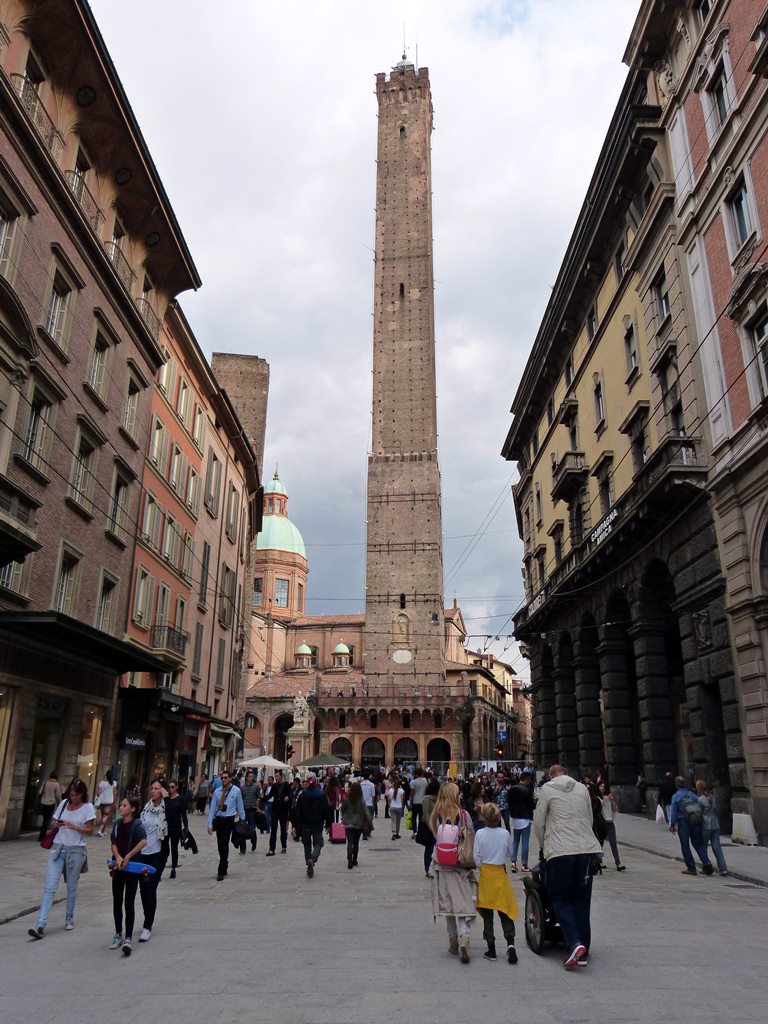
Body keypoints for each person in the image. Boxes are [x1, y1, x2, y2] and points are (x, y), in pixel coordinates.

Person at [533, 764, 601, 969]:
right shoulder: (582, 788)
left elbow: (539, 821)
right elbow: (589, 818)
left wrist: (545, 846)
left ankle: (574, 943)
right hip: (586, 849)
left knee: (559, 897)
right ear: (566, 774)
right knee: (582, 899)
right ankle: (584, 949)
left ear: (551, 776)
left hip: (561, 851)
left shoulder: (547, 789)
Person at [28, 780, 95, 939]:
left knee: (71, 886)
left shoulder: (88, 807)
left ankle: (69, 918)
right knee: (50, 887)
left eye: (75, 795)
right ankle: (40, 924)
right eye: (71, 794)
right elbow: (52, 823)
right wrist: (57, 824)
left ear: (82, 794)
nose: (72, 798)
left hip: (76, 851)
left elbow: (90, 830)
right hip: (58, 848)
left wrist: (76, 827)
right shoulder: (64, 803)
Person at [429, 782, 477, 963]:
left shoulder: (436, 815)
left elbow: (436, 837)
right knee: (463, 902)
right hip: (460, 864)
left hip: (442, 864)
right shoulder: (463, 815)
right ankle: (465, 936)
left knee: (447, 903)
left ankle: (453, 942)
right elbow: (470, 835)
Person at [474, 802, 519, 964]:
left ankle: (491, 949)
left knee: (487, 914)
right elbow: (510, 853)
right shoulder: (505, 833)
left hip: (486, 874)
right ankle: (510, 944)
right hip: (500, 873)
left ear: (483, 817)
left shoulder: (479, 834)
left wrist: (483, 866)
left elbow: (476, 857)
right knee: (505, 910)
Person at [108, 796, 147, 956]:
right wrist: (117, 856)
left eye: (124, 805)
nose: (121, 807)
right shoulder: (117, 825)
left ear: (132, 809)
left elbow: (144, 841)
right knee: (117, 901)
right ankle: (118, 933)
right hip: (118, 868)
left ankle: (128, 937)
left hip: (131, 869)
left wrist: (129, 856)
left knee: (128, 902)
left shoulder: (137, 825)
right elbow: (113, 843)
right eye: (121, 805)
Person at [138, 779, 168, 941]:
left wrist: (168, 799)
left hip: (157, 853)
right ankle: (146, 917)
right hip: (143, 852)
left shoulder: (166, 808)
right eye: (152, 788)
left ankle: (147, 925)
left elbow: (175, 818)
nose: (153, 791)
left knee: (150, 888)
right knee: (143, 889)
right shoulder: (146, 808)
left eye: (157, 788)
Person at [668, 775, 713, 876]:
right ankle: (707, 863)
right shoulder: (692, 794)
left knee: (685, 845)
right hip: (695, 820)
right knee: (698, 843)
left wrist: (672, 824)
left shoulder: (676, 796)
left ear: (676, 784)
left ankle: (691, 868)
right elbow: (699, 806)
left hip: (683, 822)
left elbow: (673, 812)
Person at [292, 772, 333, 877]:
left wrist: (295, 826)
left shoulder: (302, 795)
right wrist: (328, 824)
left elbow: (298, 812)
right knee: (318, 844)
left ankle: (308, 861)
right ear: (316, 781)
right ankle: (312, 858)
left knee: (306, 844)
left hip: (305, 824)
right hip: (317, 824)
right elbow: (327, 810)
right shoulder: (321, 794)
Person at [207, 768, 245, 881]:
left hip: (229, 819)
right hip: (219, 819)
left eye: (225, 778)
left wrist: (243, 822)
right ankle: (225, 861)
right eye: (222, 778)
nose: (223, 779)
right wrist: (210, 824)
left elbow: (240, 807)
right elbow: (212, 808)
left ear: (230, 779)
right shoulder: (217, 792)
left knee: (224, 843)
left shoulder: (236, 791)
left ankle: (221, 870)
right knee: (220, 845)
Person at [696, 780, 728, 876]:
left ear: (699, 788)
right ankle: (723, 868)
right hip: (715, 824)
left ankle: (706, 867)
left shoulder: (700, 799)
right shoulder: (712, 797)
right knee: (717, 847)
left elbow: (698, 813)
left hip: (706, 825)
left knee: (703, 847)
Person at [340, 781, 372, 869]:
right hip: (358, 824)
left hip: (348, 824)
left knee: (350, 842)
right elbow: (366, 813)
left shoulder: (347, 799)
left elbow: (342, 809)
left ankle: (349, 859)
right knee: (356, 843)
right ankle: (354, 859)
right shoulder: (361, 800)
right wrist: (370, 824)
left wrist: (344, 816)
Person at [508, 770, 535, 872]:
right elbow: (531, 805)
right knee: (525, 842)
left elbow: (509, 802)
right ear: (527, 779)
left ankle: (513, 862)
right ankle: (524, 864)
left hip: (515, 818)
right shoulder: (527, 790)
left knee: (515, 840)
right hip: (525, 817)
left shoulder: (512, 789)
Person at [597, 782, 625, 870]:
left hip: (610, 822)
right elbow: (597, 808)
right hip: (601, 823)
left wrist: (612, 800)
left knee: (613, 843)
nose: (602, 788)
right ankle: (599, 862)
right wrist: (604, 800)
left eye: (604, 786)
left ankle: (618, 863)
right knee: (600, 844)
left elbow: (614, 809)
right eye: (601, 786)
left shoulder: (609, 797)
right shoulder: (597, 798)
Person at [163, 780, 188, 878]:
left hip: (176, 826)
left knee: (174, 847)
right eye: (169, 787)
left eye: (172, 787)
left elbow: (183, 814)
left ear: (177, 787)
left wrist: (186, 826)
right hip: (166, 825)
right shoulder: (166, 798)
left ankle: (173, 868)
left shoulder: (180, 799)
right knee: (164, 848)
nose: (170, 789)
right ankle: (161, 867)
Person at [266, 770, 292, 855]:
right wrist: (261, 800)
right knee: (273, 829)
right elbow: (270, 795)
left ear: (281, 776)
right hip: (275, 810)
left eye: (277, 776)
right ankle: (271, 849)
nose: (276, 778)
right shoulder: (274, 786)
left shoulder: (287, 785)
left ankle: (284, 847)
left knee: (283, 830)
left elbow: (291, 795)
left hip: (283, 810)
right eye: (275, 776)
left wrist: (288, 797)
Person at [419, 778, 441, 876]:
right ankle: (428, 869)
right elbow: (426, 815)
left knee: (435, 848)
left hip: (438, 826)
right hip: (429, 827)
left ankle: (436, 867)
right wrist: (432, 828)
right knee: (429, 848)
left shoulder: (438, 799)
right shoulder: (427, 799)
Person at [238, 769, 261, 853]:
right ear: (246, 778)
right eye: (250, 777)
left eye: (252, 777)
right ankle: (242, 849)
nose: (251, 778)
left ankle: (253, 841)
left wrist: (257, 806)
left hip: (252, 810)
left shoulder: (256, 787)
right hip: (244, 810)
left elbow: (258, 798)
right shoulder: (242, 788)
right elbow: (240, 800)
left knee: (252, 829)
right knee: (242, 829)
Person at [37, 771, 62, 842]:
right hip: (51, 803)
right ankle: (43, 836)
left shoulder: (45, 782)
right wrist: (58, 803)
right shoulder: (57, 784)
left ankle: (42, 835)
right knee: (47, 820)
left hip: (43, 802)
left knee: (45, 819)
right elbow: (57, 796)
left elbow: (40, 792)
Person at [96, 770, 117, 838]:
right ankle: (100, 830)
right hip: (109, 801)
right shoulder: (113, 783)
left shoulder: (102, 783)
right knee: (106, 816)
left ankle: (103, 831)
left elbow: (98, 793)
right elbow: (114, 793)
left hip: (102, 801)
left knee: (103, 815)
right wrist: (114, 801)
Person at [409, 768, 428, 837]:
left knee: (413, 817)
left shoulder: (414, 782)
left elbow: (412, 793)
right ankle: (420, 831)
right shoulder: (425, 781)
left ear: (416, 774)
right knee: (420, 818)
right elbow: (426, 791)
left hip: (415, 802)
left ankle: (415, 831)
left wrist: (410, 802)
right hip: (423, 802)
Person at [360, 774, 376, 838]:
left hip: (362, 804)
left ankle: (364, 832)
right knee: (370, 818)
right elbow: (373, 796)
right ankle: (368, 832)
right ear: (369, 777)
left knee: (363, 819)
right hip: (369, 804)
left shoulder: (360, 784)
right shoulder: (372, 785)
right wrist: (373, 804)